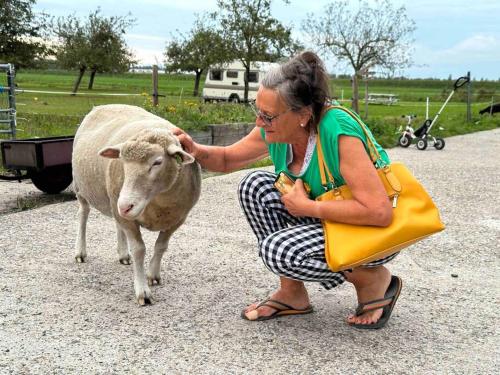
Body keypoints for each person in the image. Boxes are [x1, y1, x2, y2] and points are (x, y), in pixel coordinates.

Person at [173, 51, 402, 329]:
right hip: (331, 223)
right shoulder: (278, 130)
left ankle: (371, 278)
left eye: (267, 116)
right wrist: (195, 150)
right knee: (253, 186)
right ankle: (292, 294)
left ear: (303, 115)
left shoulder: (337, 130)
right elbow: (226, 159)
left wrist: (310, 208)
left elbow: (379, 213)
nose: (259, 122)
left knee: (279, 252)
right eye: (257, 111)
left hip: (371, 233)